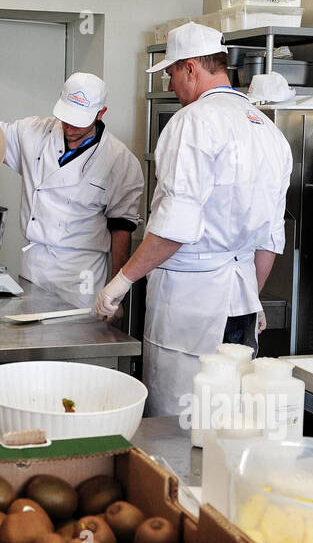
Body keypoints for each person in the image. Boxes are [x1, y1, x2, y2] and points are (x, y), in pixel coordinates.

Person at [94, 23, 291, 417]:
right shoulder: (267, 129)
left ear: (190, 69)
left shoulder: (191, 122)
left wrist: (120, 283)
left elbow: (174, 228)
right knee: (229, 425)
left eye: (170, 73)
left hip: (191, 307)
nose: (171, 86)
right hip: (241, 307)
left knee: (178, 426)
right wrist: (252, 291)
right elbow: (272, 236)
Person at [0, 72, 144, 306]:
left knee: (75, 339)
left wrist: (117, 293)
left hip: (80, 277)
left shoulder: (119, 160)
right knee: (31, 338)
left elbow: (122, 229)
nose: (70, 127)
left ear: (101, 113)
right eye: (67, 117)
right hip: (34, 267)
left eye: (80, 121)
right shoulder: (32, 133)